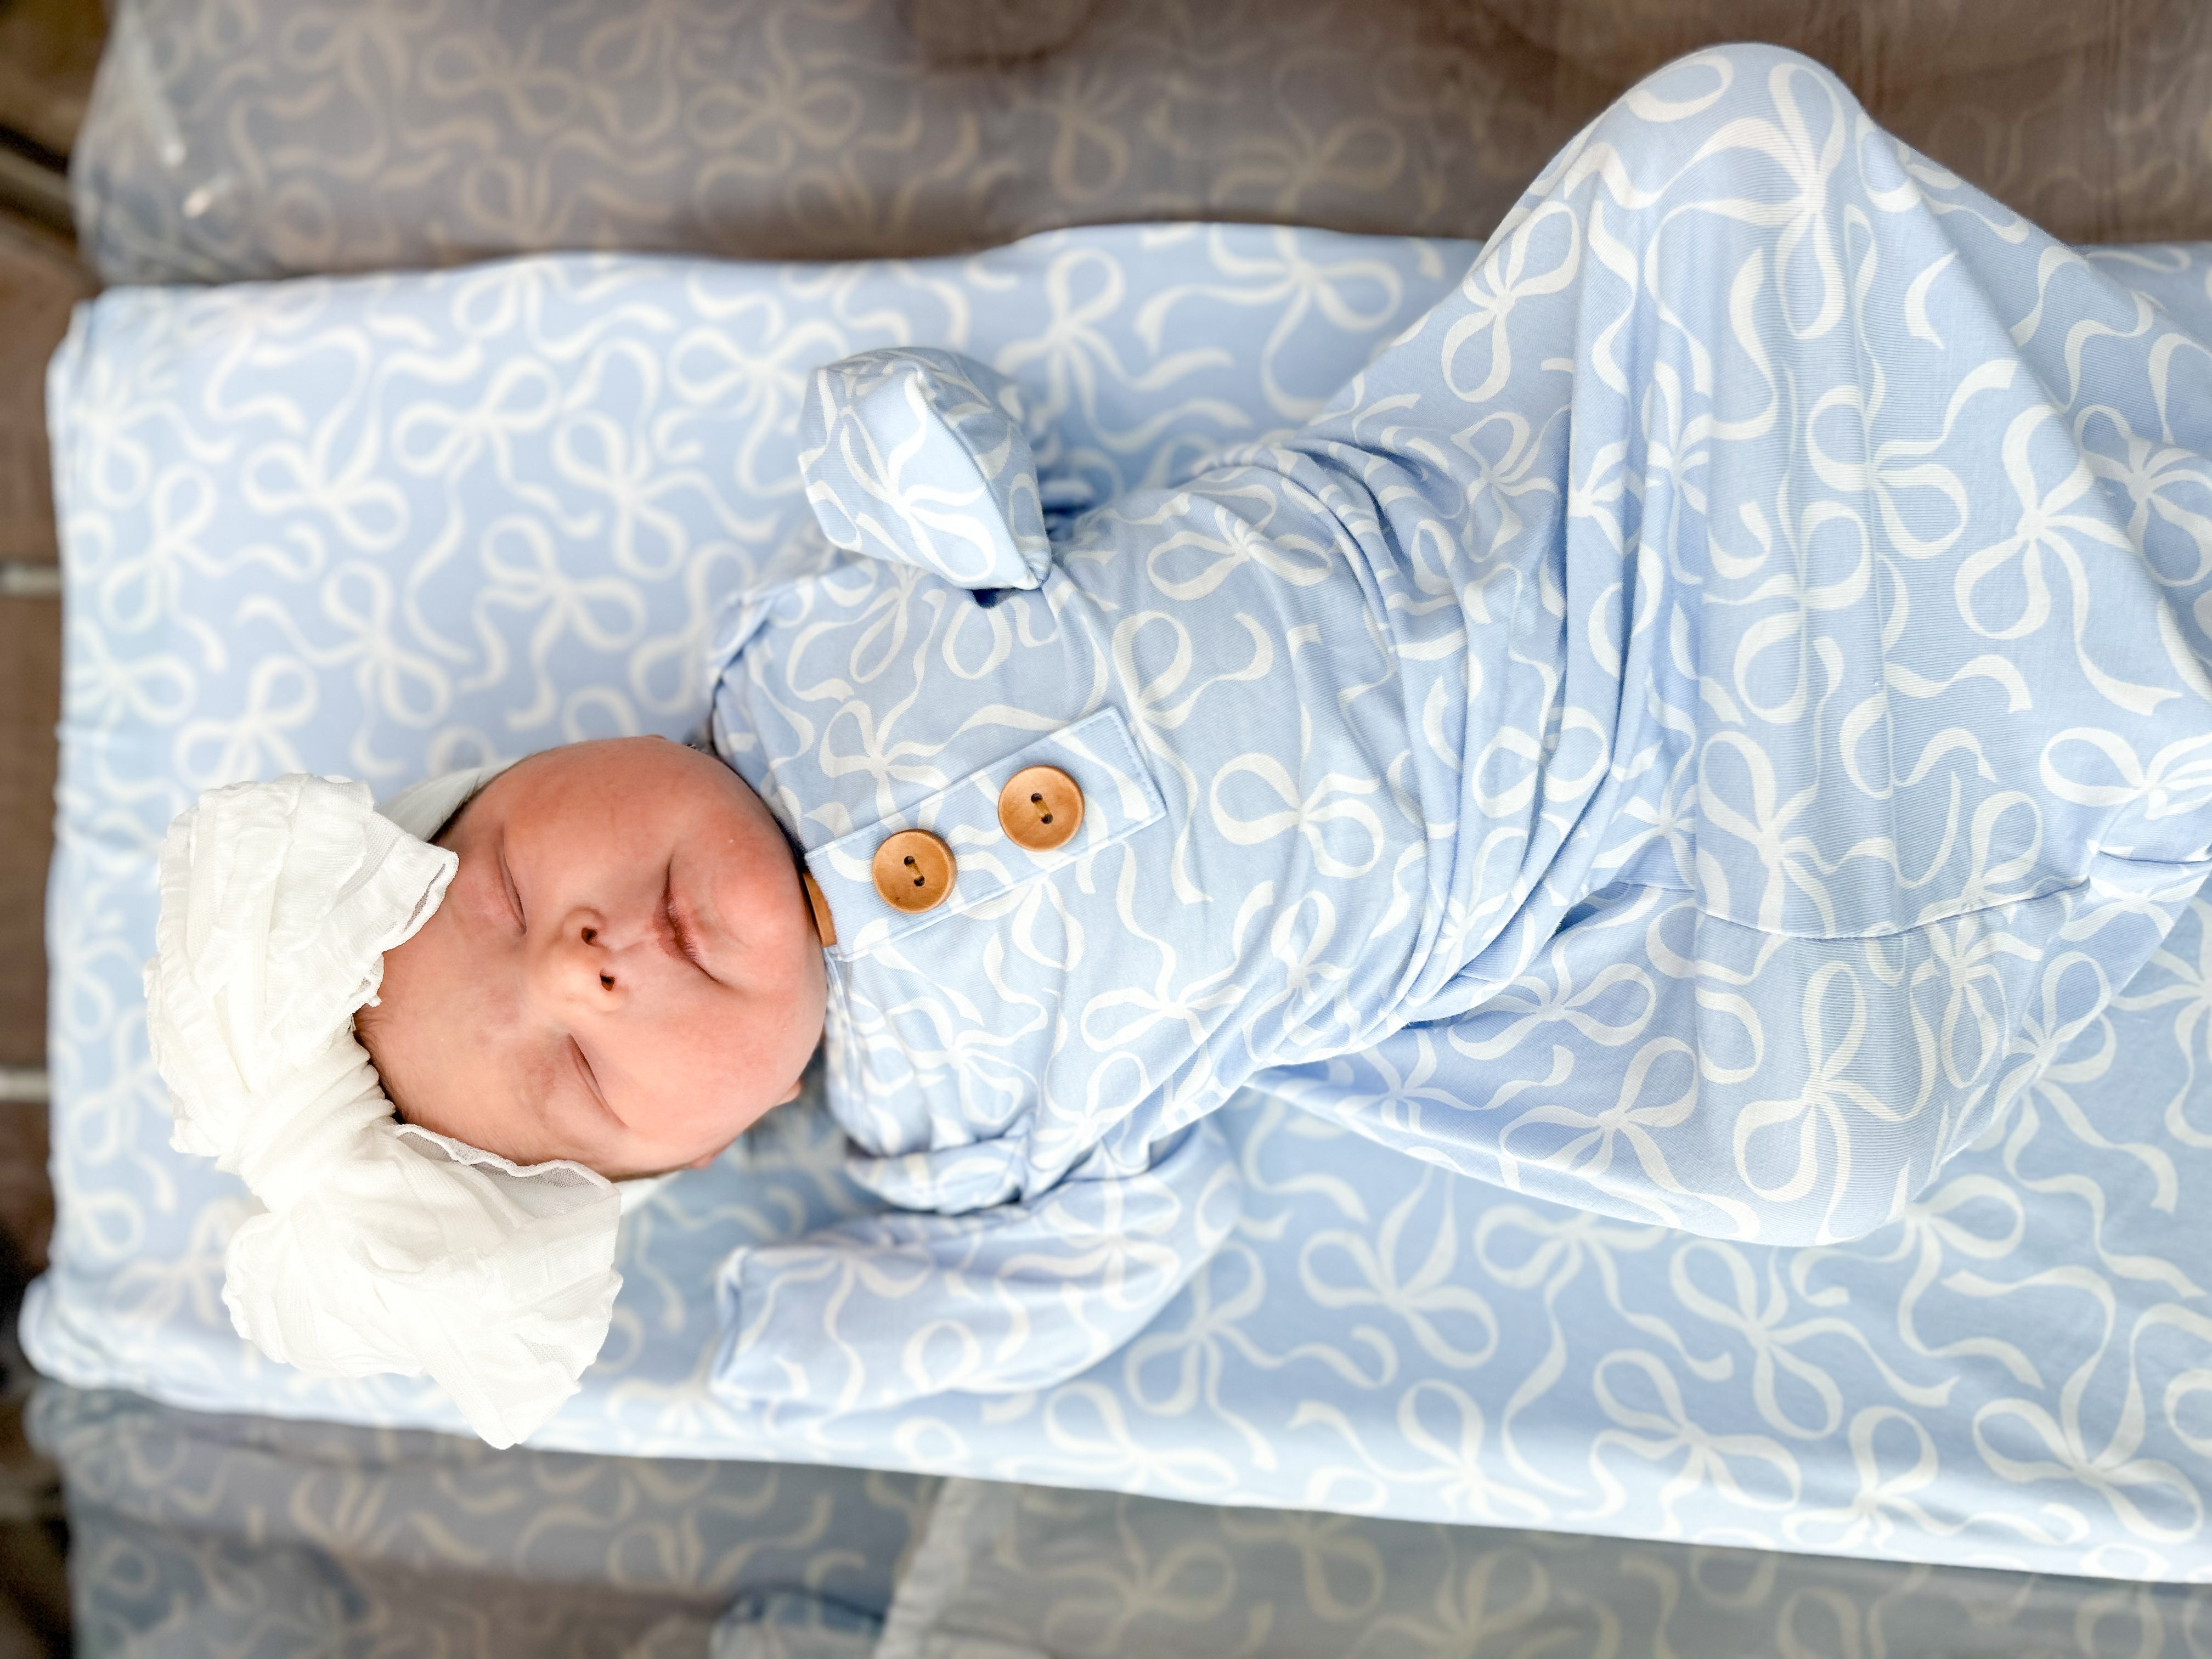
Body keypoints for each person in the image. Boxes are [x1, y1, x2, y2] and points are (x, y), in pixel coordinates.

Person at [148, 43, 2212, 1444]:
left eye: (512, 882)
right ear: (685, 1161)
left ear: (542, 756)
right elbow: (1123, 1256)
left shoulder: (797, 663)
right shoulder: (953, 1153)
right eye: (581, 1074)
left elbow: (946, 472)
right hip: (1620, 844)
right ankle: (2059, 701)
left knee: (1730, 133)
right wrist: (803, 1353)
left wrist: (902, 444)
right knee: (1808, 1161)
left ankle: (2013, 613)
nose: (584, 960)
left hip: (1555, 491)